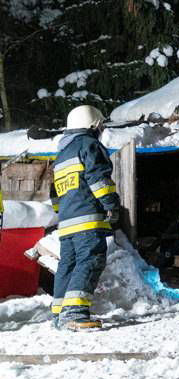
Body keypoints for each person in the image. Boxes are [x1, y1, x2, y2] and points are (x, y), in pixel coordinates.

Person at [51, 105, 119, 330]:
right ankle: (75, 313)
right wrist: (111, 204)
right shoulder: (89, 145)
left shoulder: (61, 155)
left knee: (68, 266)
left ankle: (59, 313)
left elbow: (55, 194)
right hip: (87, 218)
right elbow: (98, 180)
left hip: (66, 223)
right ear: (94, 125)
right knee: (90, 259)